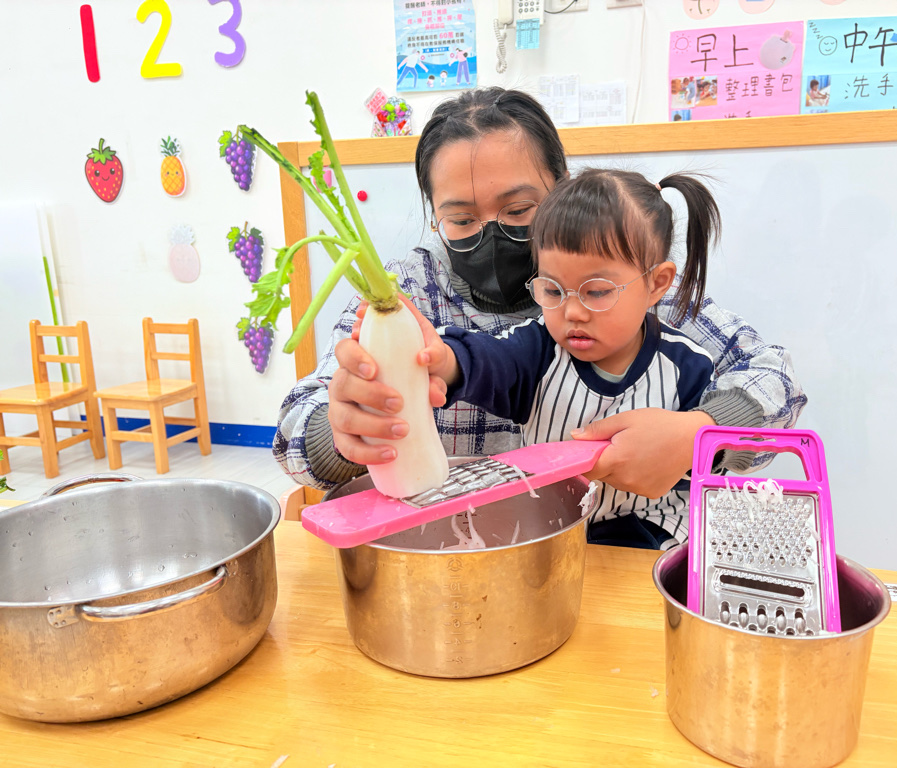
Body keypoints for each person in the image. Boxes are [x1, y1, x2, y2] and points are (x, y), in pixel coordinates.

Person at [273, 87, 806, 503]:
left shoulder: (628, 288)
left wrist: (701, 432)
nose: (490, 234)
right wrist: (346, 433)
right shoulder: (407, 294)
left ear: (562, 189)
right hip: (450, 553)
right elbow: (294, 432)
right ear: (435, 217)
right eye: (461, 219)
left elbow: (776, 377)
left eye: (519, 210)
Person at [371, 168, 719, 548]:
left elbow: (717, 456)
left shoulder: (688, 366)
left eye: (597, 291)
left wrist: (695, 442)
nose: (573, 312)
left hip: (654, 540)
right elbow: (487, 360)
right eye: (553, 290)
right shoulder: (536, 350)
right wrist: (442, 359)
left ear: (657, 283)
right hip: (549, 532)